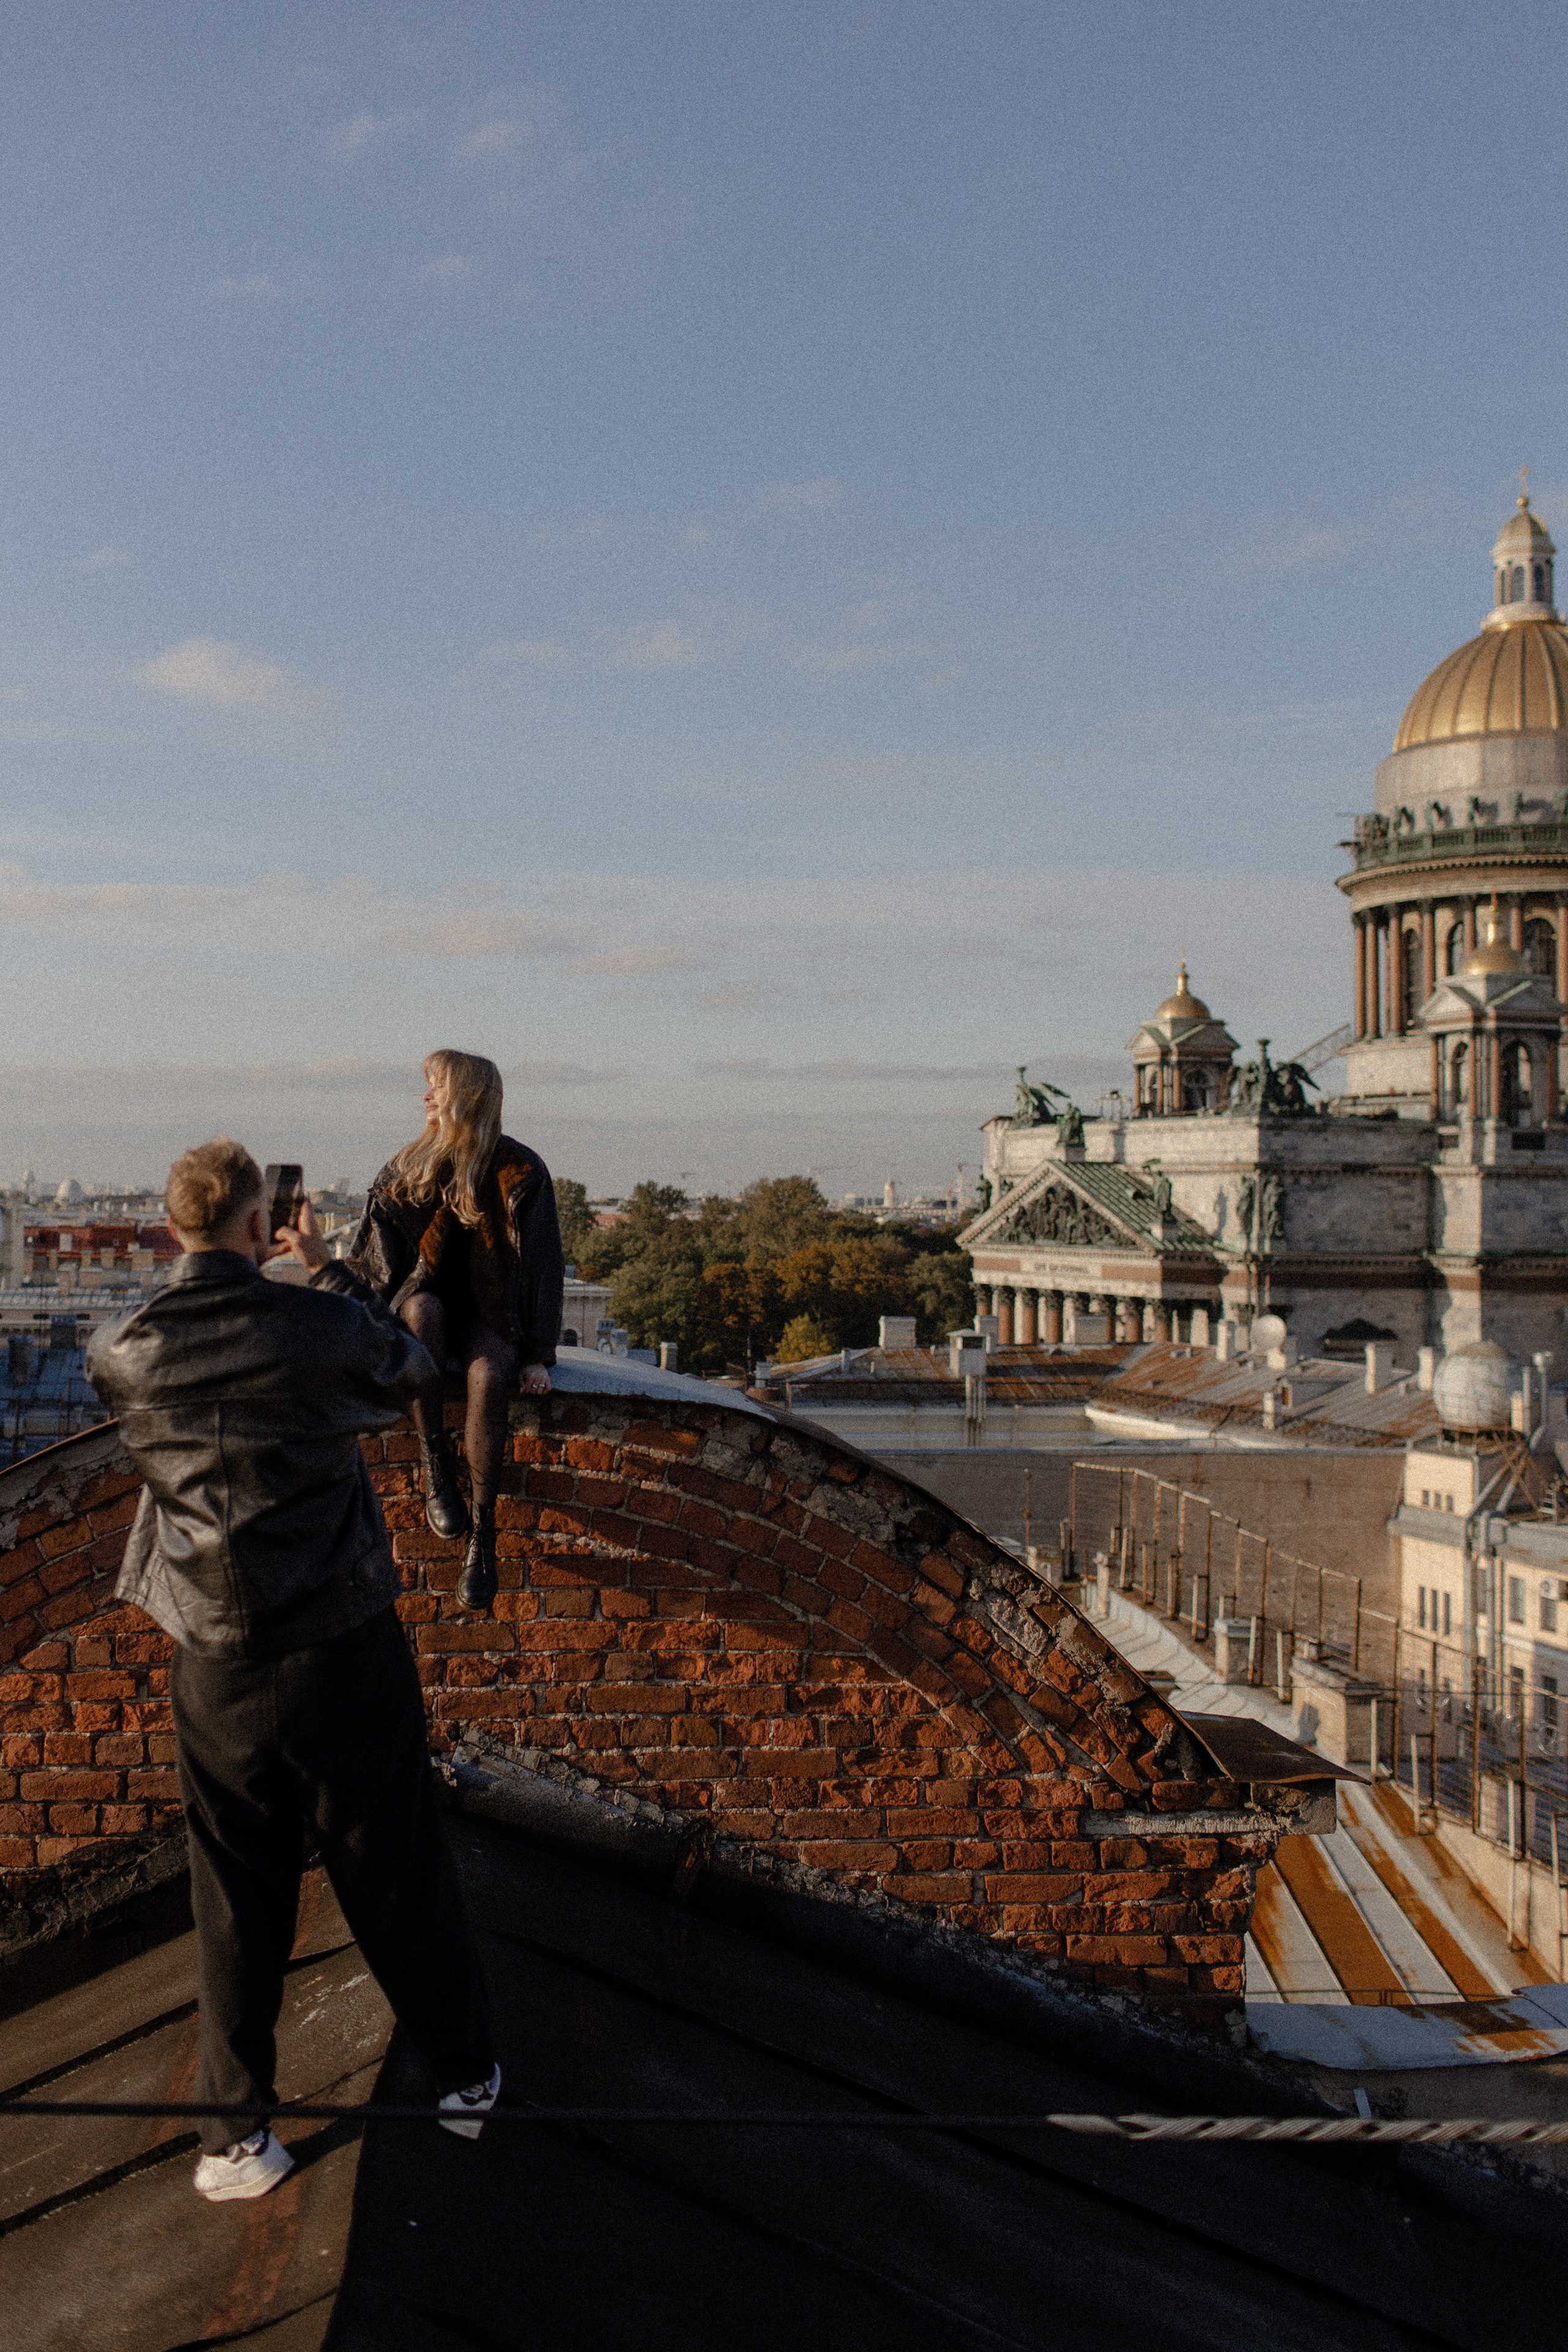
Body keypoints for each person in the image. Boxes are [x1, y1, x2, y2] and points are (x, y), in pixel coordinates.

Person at [88, 1138, 500, 2205]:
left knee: (232, 1892)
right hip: (336, 1643)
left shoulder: (123, 1349)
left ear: (172, 1222)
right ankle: (462, 2079)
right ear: (256, 1222)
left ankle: (235, 2137)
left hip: (214, 1659)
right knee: (393, 1863)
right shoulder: (311, 1325)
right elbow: (408, 1370)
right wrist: (321, 1267)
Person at [344, 1049, 564, 1611]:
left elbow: (542, 1265)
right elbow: (370, 1259)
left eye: (436, 1087)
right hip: (429, 1311)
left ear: (465, 1095)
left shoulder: (522, 1172)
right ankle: (434, 1462)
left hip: (495, 1317)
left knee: (491, 1375)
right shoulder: (409, 1164)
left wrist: (538, 1354)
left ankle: (483, 1536)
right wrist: (361, 1334)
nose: (425, 1097)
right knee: (421, 1311)